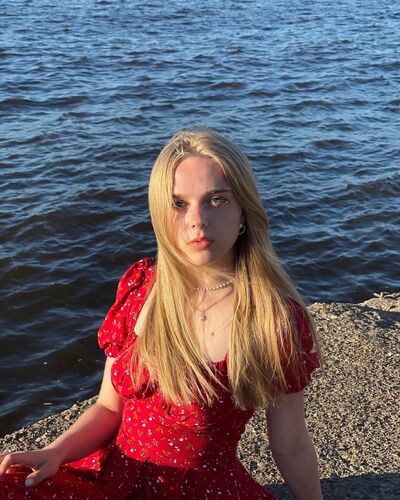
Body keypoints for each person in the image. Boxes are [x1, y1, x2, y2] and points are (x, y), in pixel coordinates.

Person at [0, 129, 322, 499]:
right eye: (178, 204)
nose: (197, 220)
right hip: (112, 477)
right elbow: (108, 407)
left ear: (244, 212)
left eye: (217, 200)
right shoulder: (141, 287)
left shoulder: (272, 319)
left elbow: (290, 445)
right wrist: (56, 452)